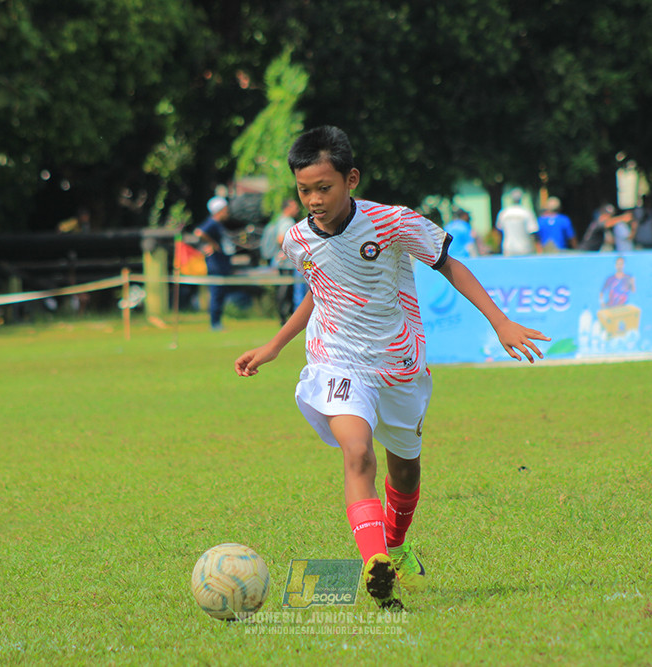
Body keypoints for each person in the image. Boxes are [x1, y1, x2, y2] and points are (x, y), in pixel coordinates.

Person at [233, 126, 549, 610]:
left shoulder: (394, 223)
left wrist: (500, 321)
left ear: (351, 178)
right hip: (337, 358)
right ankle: (375, 562)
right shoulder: (297, 239)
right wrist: (276, 344)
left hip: (400, 364)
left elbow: (449, 264)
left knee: (405, 470)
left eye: (324, 187)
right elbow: (320, 293)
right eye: (304, 190)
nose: (314, 199)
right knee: (357, 452)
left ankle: (397, 547)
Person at [262, 198, 305, 323]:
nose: (297, 209)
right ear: (288, 208)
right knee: (286, 289)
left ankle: (284, 315)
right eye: (295, 207)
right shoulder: (287, 221)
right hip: (286, 262)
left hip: (281, 261)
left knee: (284, 288)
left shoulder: (278, 220)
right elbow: (281, 239)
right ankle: (284, 316)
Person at [194, 196, 232, 330]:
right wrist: (213, 244)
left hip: (221, 264)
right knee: (216, 294)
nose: (227, 212)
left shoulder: (218, 224)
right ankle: (214, 323)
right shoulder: (212, 222)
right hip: (216, 265)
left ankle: (217, 321)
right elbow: (199, 232)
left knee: (220, 294)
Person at [494, 190, 540, 255]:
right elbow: (533, 232)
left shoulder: (504, 213)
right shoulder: (527, 213)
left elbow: (499, 231)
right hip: (525, 248)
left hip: (508, 247)